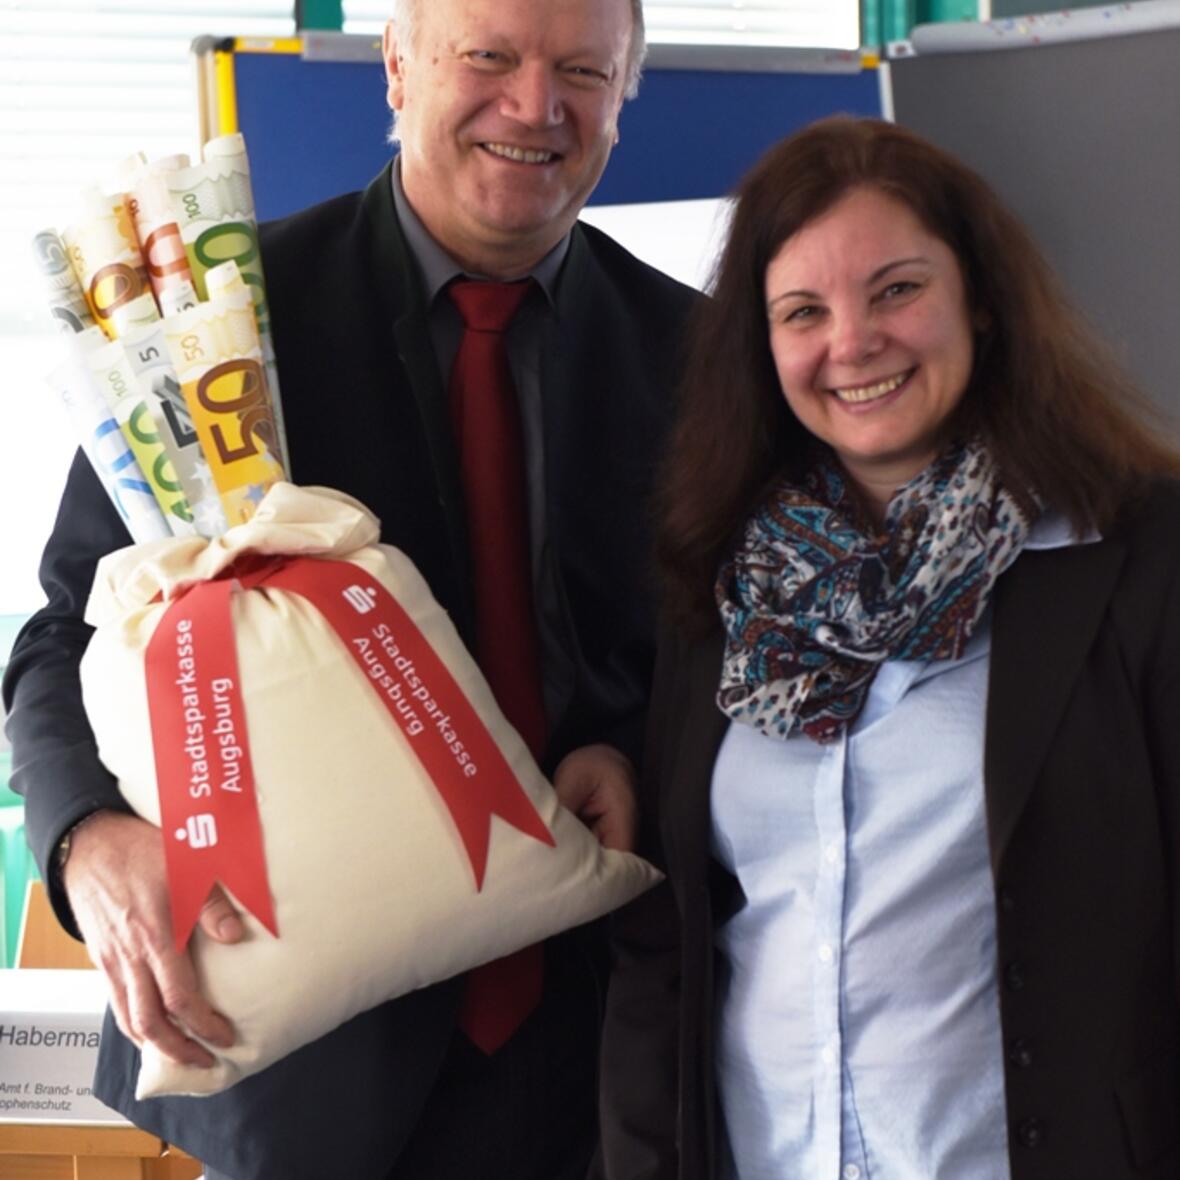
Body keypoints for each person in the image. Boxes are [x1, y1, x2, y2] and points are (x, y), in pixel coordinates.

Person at [2, 0, 698, 1176]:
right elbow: (65, 628)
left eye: (583, 69)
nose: (536, 106)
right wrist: (83, 836)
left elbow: (724, 654)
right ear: (396, 65)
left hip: (606, 1042)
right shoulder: (216, 326)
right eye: (489, 56)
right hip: (300, 1059)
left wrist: (631, 746)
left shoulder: (695, 353)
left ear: (624, 99)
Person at [596, 115, 1180, 1180]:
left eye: (897, 290)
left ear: (984, 304)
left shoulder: (1133, 556)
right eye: (802, 311)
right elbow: (667, 940)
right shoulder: (717, 583)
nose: (851, 342)